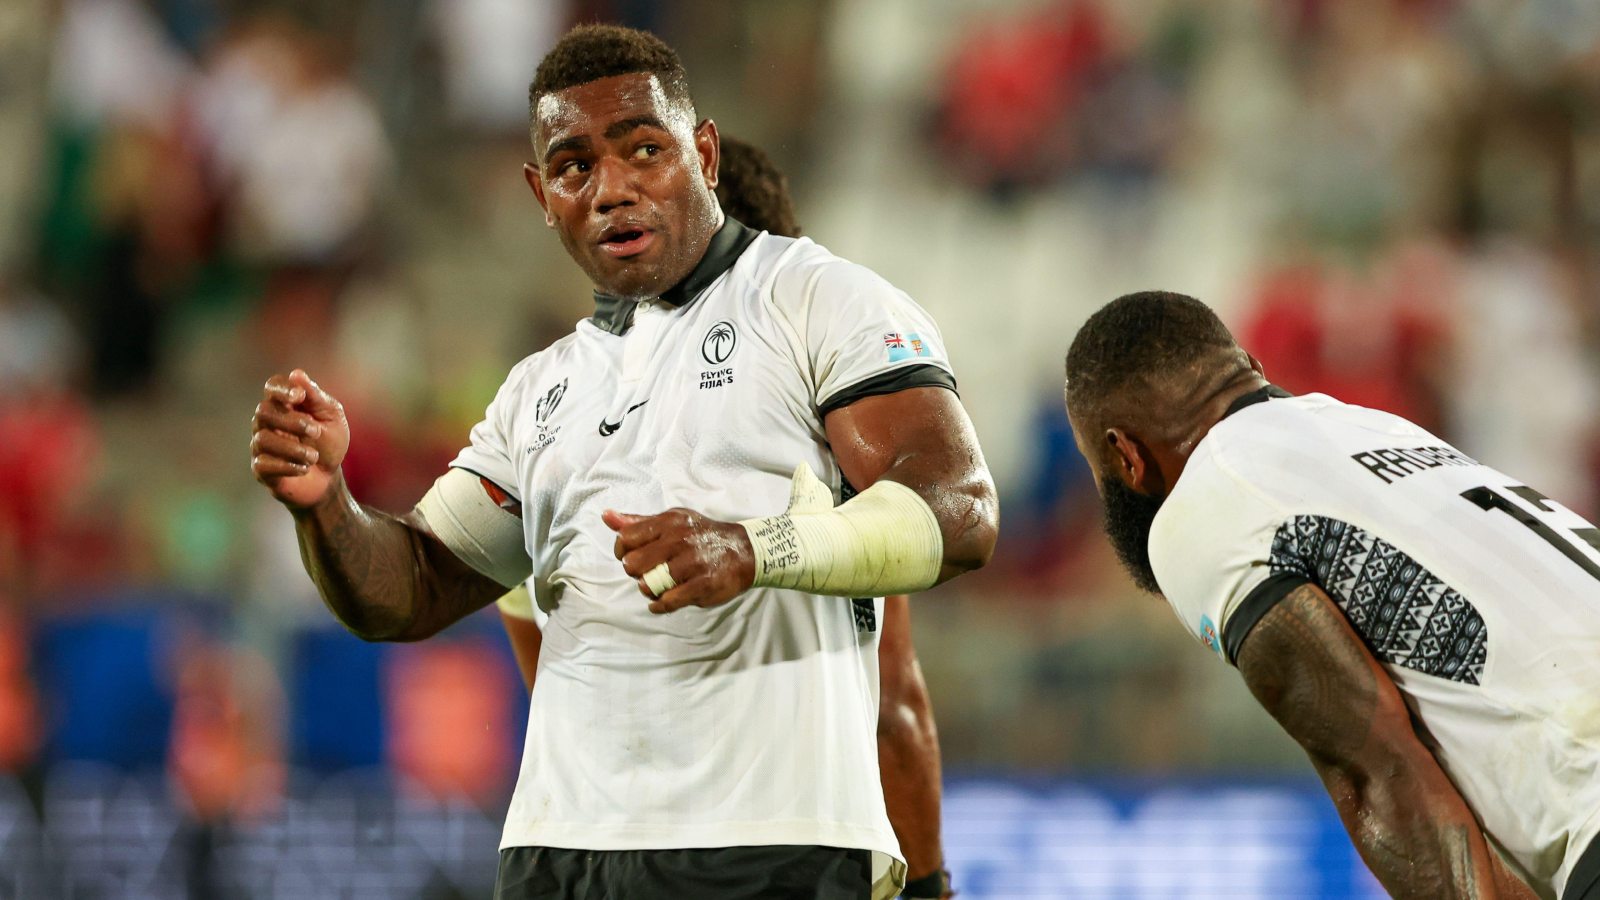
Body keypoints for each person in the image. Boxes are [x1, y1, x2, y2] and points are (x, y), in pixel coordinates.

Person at [248, 24, 997, 900]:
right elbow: (410, 587)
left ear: (703, 153)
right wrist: (326, 505)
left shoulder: (819, 300)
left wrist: (754, 548)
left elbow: (960, 510)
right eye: (574, 167)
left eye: (644, 150)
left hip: (773, 841)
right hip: (559, 856)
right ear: (542, 194)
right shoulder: (538, 390)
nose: (611, 189)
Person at [495, 134, 952, 899]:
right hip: (774, 843)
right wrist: (930, 885)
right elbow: (892, 706)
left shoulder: (547, 434)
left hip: (586, 849)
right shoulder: (812, 461)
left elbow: (555, 682)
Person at [1063, 290, 1599, 900]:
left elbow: (1380, 778)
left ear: (1125, 456)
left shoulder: (1201, 503)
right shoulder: (1372, 426)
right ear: (1251, 370)